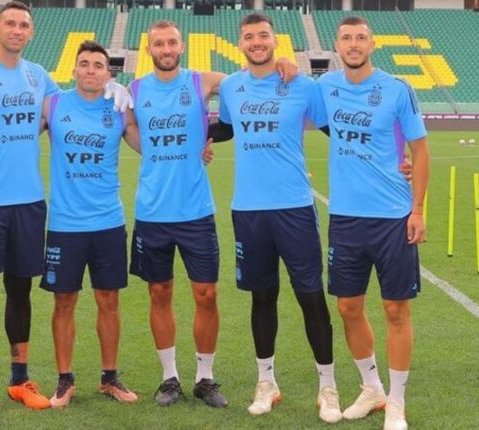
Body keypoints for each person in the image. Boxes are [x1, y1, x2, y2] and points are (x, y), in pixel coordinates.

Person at [0, 2, 131, 422]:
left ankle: (20, 378)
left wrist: (118, 89)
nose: (16, 29)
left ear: (31, 32)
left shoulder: (37, 77)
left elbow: (69, 106)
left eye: (24, 24)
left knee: (21, 290)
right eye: (9, 22)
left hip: (29, 203)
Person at [128, 19, 295, 408]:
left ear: (181, 46)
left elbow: (246, 77)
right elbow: (128, 127)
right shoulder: (134, 90)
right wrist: (148, 151)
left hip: (195, 211)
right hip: (152, 210)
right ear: (149, 48)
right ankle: (169, 378)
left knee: (206, 294)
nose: (166, 49)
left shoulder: (202, 81)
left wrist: (281, 62)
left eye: (171, 42)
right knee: (159, 292)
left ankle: (205, 377)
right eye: (158, 44)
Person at [212, 12, 342, 422]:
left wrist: (391, 155)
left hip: (294, 208)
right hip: (248, 211)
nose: (256, 41)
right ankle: (266, 381)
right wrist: (196, 136)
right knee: (262, 296)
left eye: (262, 35)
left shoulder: (303, 85)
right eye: (249, 36)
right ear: (241, 43)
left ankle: (328, 385)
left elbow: (335, 131)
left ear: (275, 40)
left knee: (310, 295)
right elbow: (227, 129)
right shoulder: (232, 87)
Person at [316, 16, 430, 430]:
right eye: (346, 37)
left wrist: (417, 209)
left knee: (395, 308)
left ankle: (396, 402)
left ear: (372, 44)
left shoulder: (398, 89)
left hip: (393, 218)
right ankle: (372, 388)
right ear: (337, 44)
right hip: (346, 218)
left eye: (360, 37)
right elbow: (292, 103)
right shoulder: (325, 87)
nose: (353, 43)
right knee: (348, 306)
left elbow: (419, 151)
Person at [39, 40, 141, 408]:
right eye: (84, 64)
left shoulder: (118, 109)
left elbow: (151, 145)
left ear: (108, 73)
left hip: (107, 222)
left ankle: (109, 377)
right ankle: (65, 380)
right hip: (65, 224)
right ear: (74, 70)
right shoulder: (53, 104)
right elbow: (15, 136)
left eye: (99, 65)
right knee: (64, 301)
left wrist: (199, 146)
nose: (91, 70)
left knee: (109, 300)